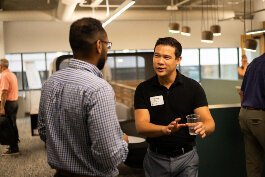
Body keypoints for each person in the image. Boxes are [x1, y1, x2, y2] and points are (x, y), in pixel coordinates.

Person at [38, 17, 129, 177]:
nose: (107, 50)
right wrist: (123, 143)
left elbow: (45, 131)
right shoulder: (99, 88)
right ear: (99, 45)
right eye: (108, 45)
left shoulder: (51, 82)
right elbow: (108, 156)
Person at [134, 37, 215, 177]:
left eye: (166, 57)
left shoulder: (193, 87)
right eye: (156, 55)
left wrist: (203, 127)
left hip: (187, 158)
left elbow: (210, 123)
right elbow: (141, 126)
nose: (160, 61)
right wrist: (164, 129)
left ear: (178, 60)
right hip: (155, 159)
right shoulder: (143, 89)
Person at [238, 53, 265, 177]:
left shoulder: (254, 62)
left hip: (244, 115)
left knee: (253, 163)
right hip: (260, 116)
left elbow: (242, 93)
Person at [0, 58, 19, 156]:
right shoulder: (12, 74)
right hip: (15, 102)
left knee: (8, 127)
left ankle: (14, 147)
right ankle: (14, 144)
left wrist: (2, 107)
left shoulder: (4, 75)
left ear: (1, 66)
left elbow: (4, 92)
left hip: (8, 104)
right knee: (12, 124)